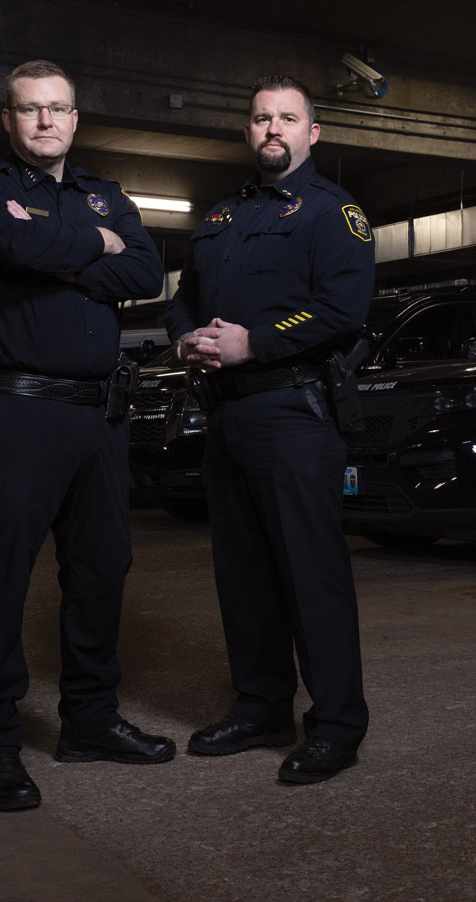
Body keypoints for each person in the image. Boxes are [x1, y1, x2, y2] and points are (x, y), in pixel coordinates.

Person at [0, 60, 172, 812]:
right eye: (29, 110)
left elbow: (148, 272)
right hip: (19, 411)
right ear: (7, 121)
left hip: (100, 416)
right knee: (0, 577)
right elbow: (16, 252)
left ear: (75, 119)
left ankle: (91, 720)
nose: (45, 121)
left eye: (57, 109)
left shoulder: (105, 192)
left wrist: (67, 240)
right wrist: (94, 245)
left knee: (101, 572)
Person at [163, 74, 375, 784]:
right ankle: (260, 706)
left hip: (293, 411)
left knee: (310, 575)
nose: (272, 129)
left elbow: (342, 308)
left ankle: (338, 724)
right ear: (248, 131)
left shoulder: (332, 213)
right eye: (260, 118)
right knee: (243, 573)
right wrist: (185, 338)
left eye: (287, 118)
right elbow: (184, 298)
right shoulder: (221, 217)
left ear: (313, 133)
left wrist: (256, 342)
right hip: (227, 412)